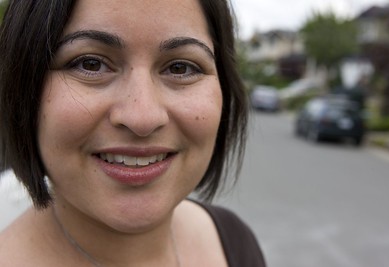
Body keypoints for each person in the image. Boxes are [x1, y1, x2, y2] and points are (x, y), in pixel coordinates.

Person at [0, 0, 266, 266]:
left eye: (180, 68)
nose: (142, 118)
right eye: (91, 64)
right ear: (23, 88)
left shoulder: (236, 243)